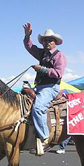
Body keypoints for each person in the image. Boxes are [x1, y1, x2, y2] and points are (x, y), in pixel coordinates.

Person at [23, 22, 66, 153]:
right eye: (45, 40)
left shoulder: (59, 55)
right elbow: (29, 47)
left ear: (55, 42)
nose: (47, 42)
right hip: (39, 86)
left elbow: (58, 73)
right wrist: (27, 36)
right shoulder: (42, 53)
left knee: (38, 108)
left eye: (50, 40)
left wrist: (41, 69)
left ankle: (44, 138)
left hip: (51, 87)